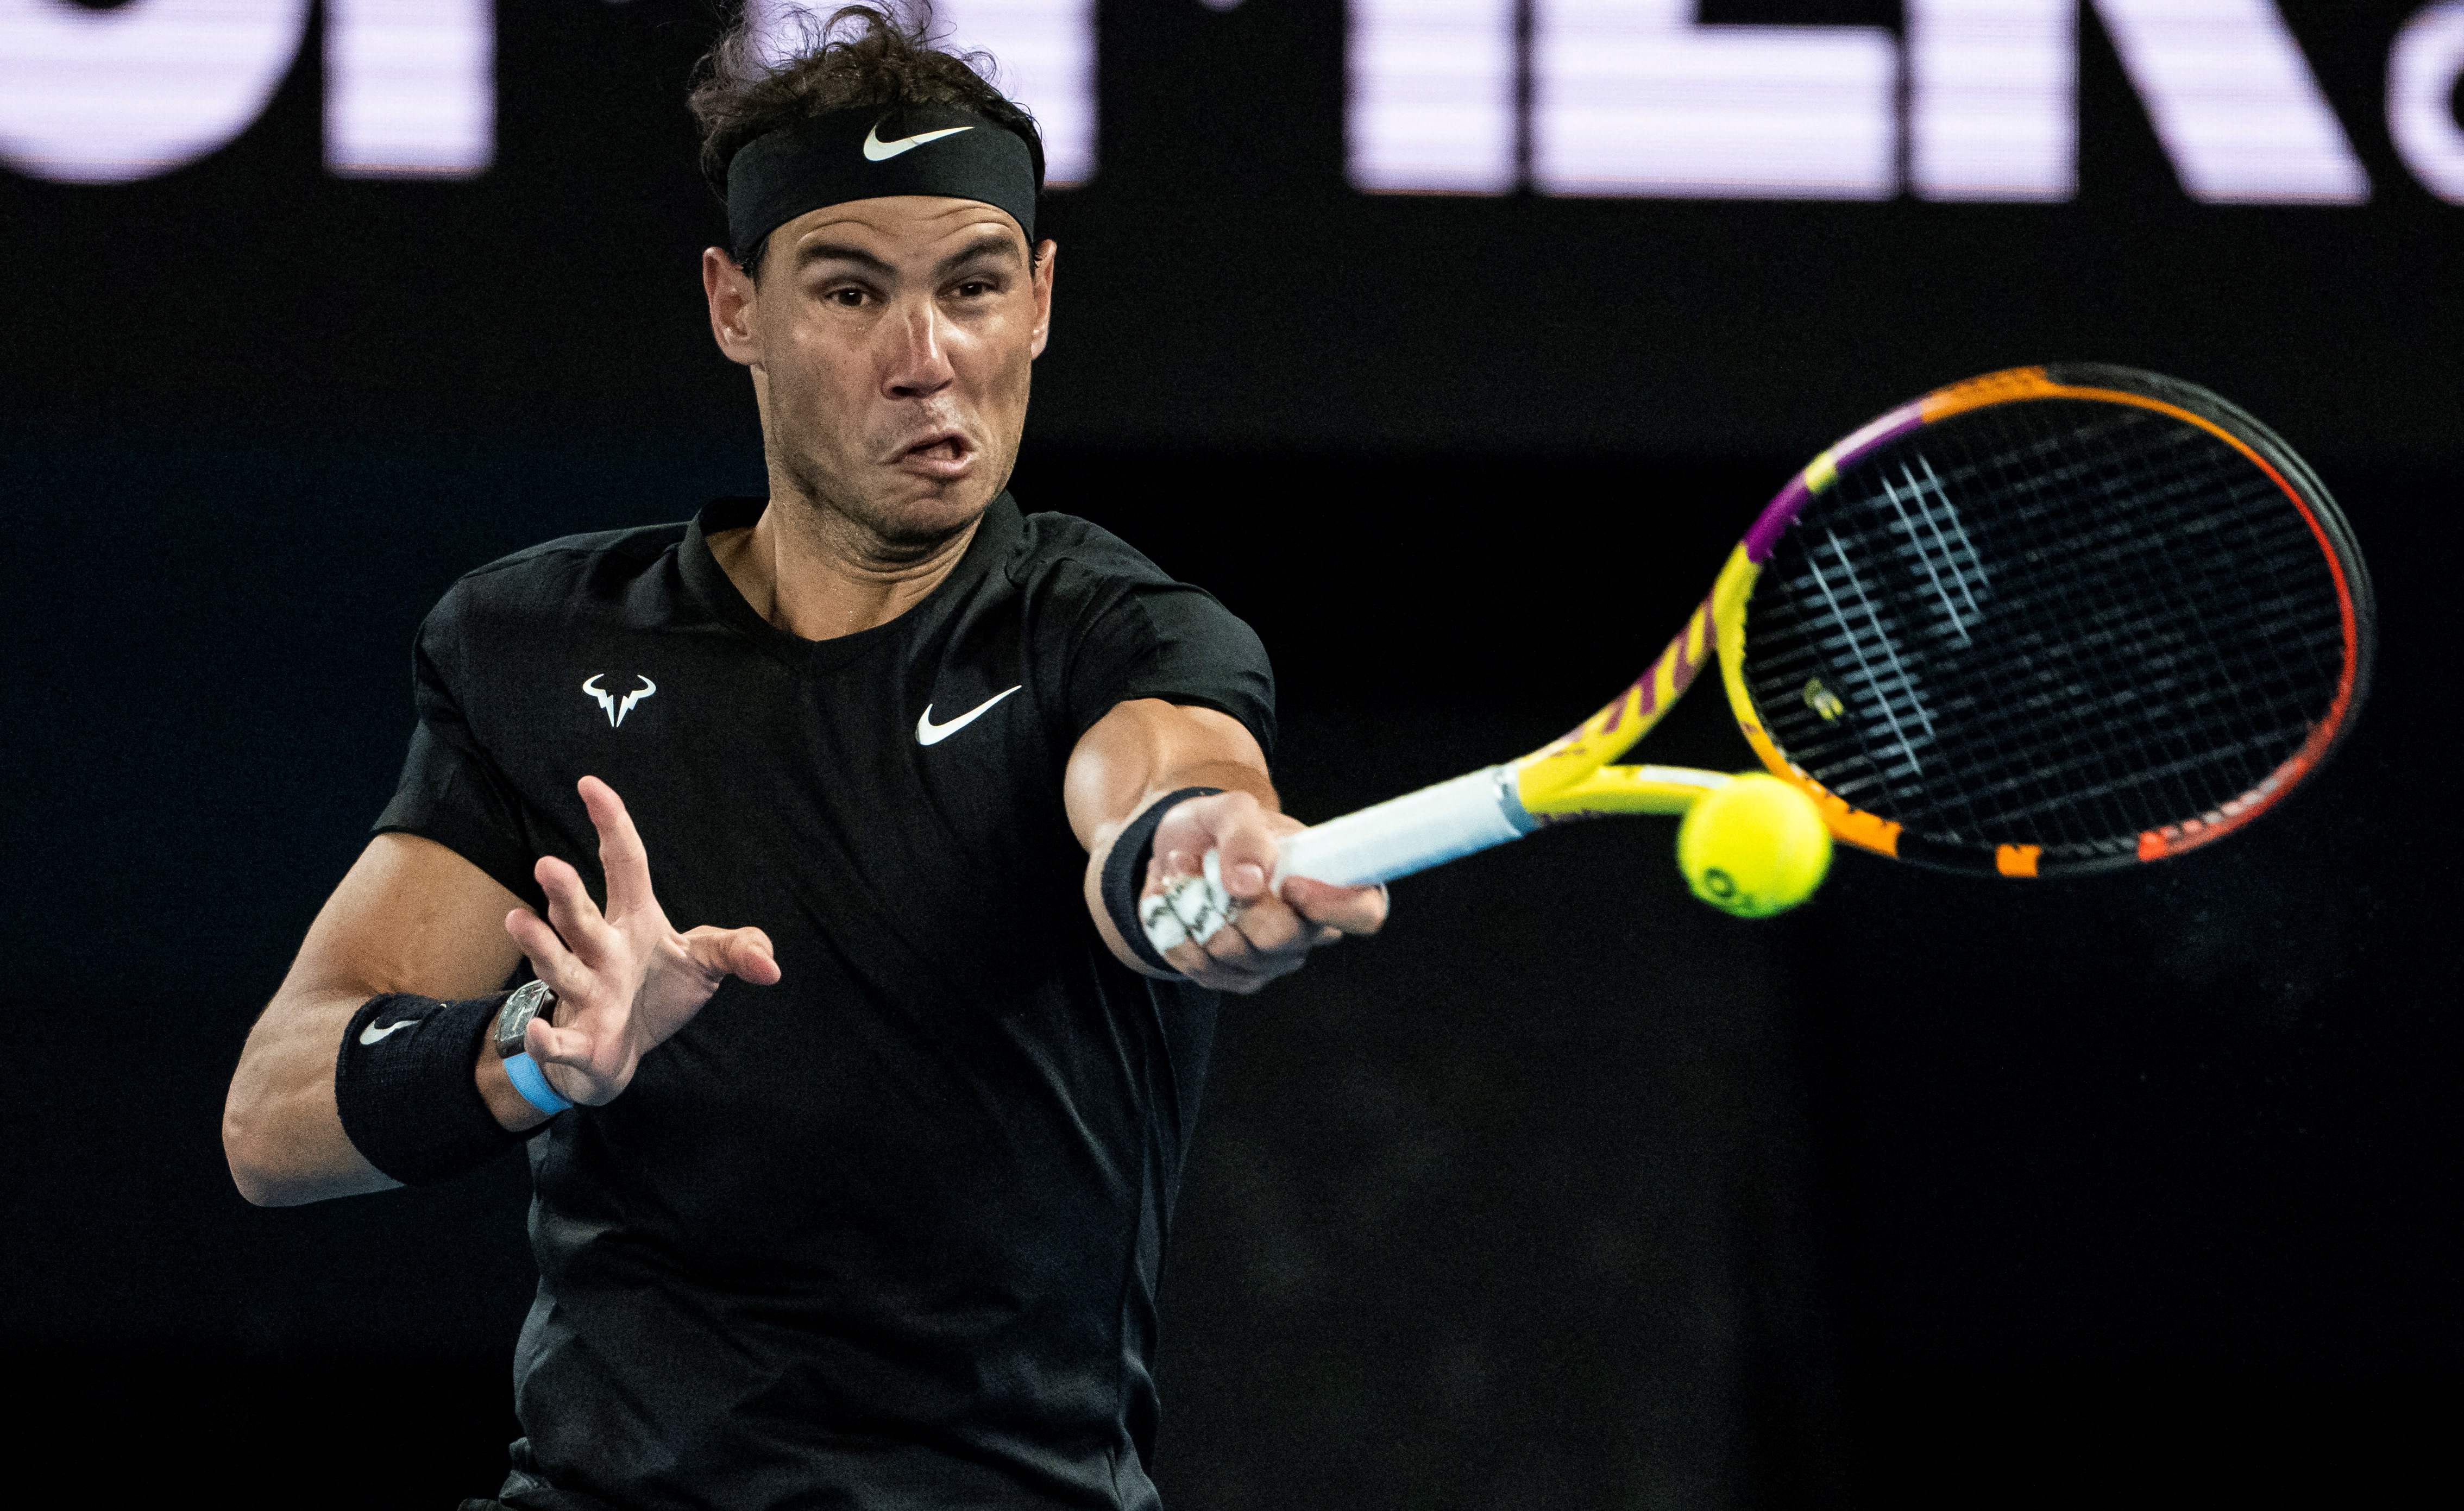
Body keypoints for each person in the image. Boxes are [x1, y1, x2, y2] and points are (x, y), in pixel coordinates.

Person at [218, 7, 1385, 1507]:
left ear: (1037, 300)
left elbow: (1157, 785)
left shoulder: (1123, 637)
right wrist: (530, 1053)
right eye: (851, 290)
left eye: (974, 287)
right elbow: (273, 1114)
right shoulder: (532, 644)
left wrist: (1192, 849)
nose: (927, 359)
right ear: (735, 305)